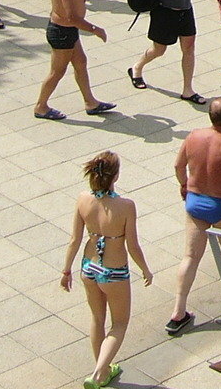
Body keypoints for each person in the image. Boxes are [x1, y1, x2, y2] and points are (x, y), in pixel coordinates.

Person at [60, 152, 152, 388]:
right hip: (114, 271)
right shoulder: (126, 206)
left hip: (88, 266)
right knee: (119, 324)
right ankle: (98, 372)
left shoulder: (83, 199)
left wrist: (66, 270)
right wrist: (145, 269)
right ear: (116, 176)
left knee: (97, 318)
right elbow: (133, 245)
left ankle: (103, 371)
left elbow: (74, 239)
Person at [165, 97, 221, 337]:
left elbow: (178, 166)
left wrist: (184, 185)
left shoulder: (193, 137)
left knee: (190, 257)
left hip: (195, 202)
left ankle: (178, 312)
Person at [35, 0, 114, 120]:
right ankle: (41, 106)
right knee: (57, 72)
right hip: (62, 32)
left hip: (66, 30)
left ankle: (90, 102)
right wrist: (95, 30)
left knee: (80, 62)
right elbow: (72, 18)